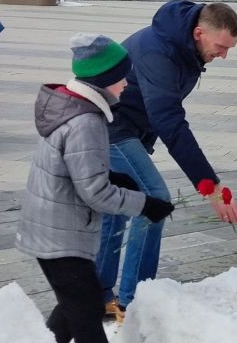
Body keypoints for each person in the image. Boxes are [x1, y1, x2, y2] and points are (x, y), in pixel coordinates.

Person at [15, 34, 175, 343]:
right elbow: (95, 193)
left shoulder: (71, 108)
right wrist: (145, 204)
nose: (127, 84)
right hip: (60, 237)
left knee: (72, 309)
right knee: (87, 315)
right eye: (121, 78)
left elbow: (76, 172)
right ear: (105, 80)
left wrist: (118, 180)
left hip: (52, 229)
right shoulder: (85, 121)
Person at [96, 0, 237, 320]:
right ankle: (136, 301)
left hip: (119, 127)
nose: (224, 55)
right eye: (221, 46)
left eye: (229, 48)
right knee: (155, 199)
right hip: (104, 128)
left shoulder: (184, 46)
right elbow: (170, 121)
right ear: (200, 32)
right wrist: (211, 187)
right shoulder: (159, 52)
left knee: (118, 210)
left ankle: (97, 297)